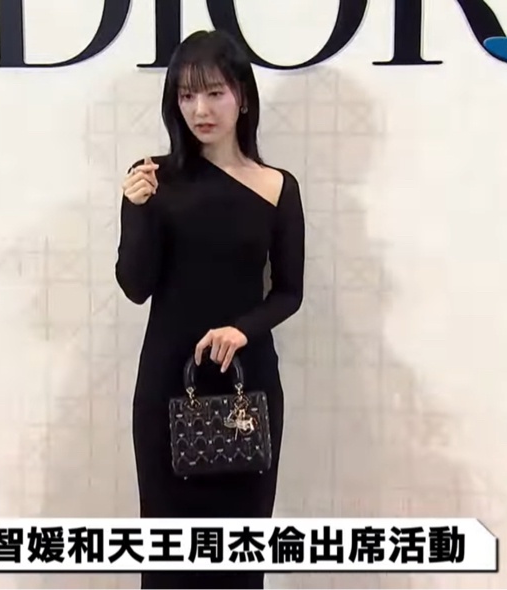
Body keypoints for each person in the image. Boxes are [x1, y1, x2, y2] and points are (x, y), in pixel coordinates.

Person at [114, 29, 305, 590]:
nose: (201, 109)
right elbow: (135, 285)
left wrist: (242, 330)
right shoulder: (153, 177)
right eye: (187, 95)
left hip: (247, 386)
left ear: (242, 97)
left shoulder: (277, 187)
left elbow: (289, 292)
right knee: (169, 555)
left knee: (239, 554)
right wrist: (137, 211)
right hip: (167, 383)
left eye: (215, 93)